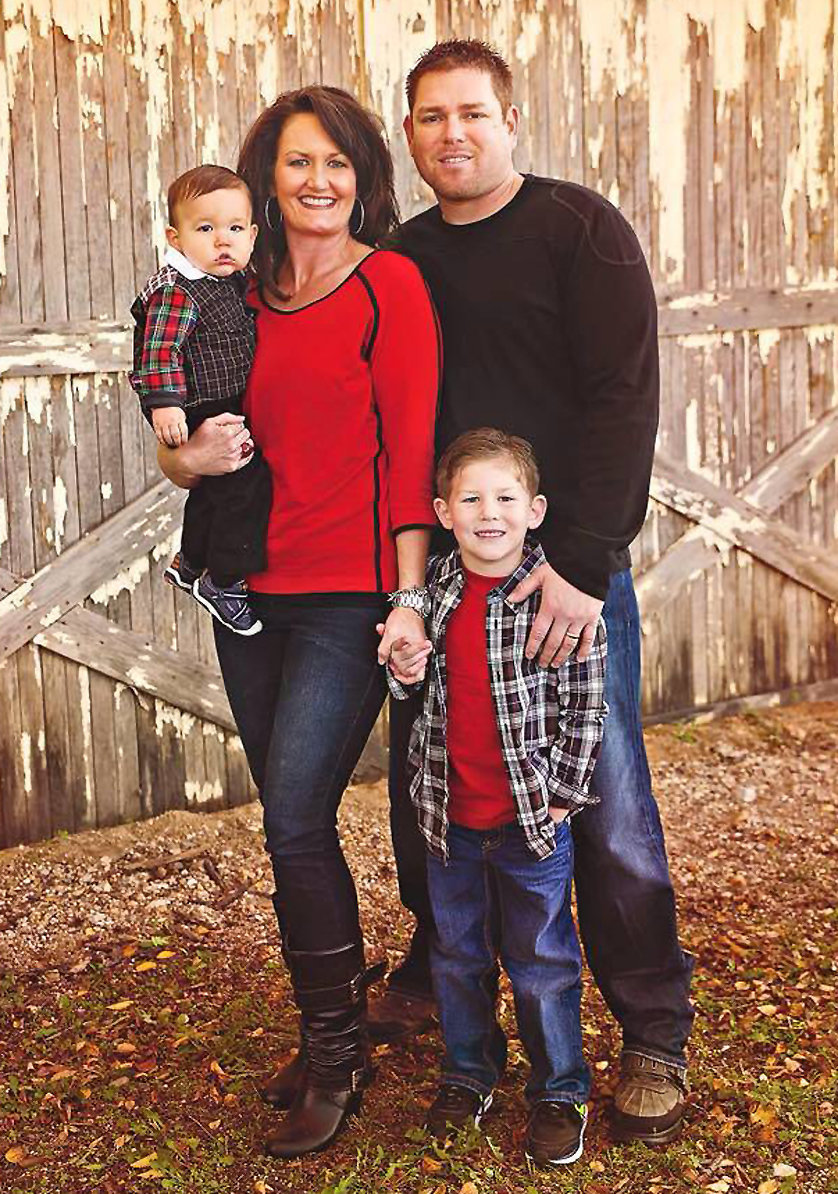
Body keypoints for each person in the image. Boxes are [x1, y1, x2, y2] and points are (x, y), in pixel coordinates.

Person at [373, 38, 694, 1145]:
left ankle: (651, 1029)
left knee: (603, 815)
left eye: (471, 113)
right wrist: (413, 589)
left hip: (566, 577)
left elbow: (624, 399)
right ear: (408, 133)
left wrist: (585, 567)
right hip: (447, 587)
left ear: (510, 121)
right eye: (429, 117)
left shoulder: (578, 230)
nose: (451, 133)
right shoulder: (401, 259)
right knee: (437, 803)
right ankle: (456, 1005)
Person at [156, 86, 439, 1159]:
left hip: (349, 594)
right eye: (294, 163)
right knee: (291, 814)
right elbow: (179, 429)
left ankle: (334, 1055)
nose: (316, 181)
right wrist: (179, 457)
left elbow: (410, 449)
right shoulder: (228, 292)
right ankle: (335, 1016)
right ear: (264, 177)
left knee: (291, 817)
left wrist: (408, 596)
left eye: (335, 162)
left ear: (363, 173)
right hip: (246, 589)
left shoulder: (390, 285)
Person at [384, 429, 607, 1168]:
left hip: (529, 825)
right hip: (449, 819)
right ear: (443, 511)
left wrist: (565, 795)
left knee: (542, 961)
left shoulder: (559, 601)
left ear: (534, 510)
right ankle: (470, 1075)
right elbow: (412, 691)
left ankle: (559, 1090)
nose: (490, 512)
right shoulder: (437, 592)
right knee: (455, 956)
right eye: (471, 498)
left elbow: (587, 706)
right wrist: (405, 665)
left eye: (506, 498)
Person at [129, 165, 271, 636]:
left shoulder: (232, 281)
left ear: (252, 234)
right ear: (176, 236)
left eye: (234, 229)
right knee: (244, 486)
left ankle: (190, 562)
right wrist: (166, 403)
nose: (222, 241)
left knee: (214, 489)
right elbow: (158, 349)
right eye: (205, 229)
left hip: (224, 397)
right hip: (201, 404)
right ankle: (225, 581)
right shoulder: (179, 289)